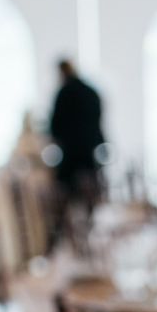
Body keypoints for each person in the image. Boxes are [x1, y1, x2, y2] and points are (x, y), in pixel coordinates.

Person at [48, 59, 105, 243]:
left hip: (71, 157)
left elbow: (54, 128)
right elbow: (99, 123)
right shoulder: (91, 91)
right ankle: (89, 237)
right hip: (90, 155)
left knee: (63, 202)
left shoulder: (64, 93)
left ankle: (69, 241)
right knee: (90, 202)